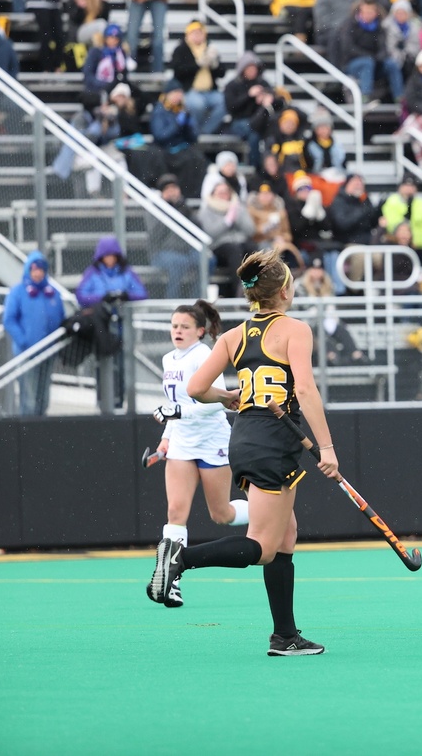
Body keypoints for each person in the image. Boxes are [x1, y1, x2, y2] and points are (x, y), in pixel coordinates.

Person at [150, 249, 339, 657]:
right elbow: (305, 390)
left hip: (246, 436)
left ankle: (285, 636)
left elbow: (197, 388)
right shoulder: (295, 329)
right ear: (286, 291)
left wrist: (230, 397)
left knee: (286, 533)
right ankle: (182, 559)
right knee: (263, 545)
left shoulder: (233, 335)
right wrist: (326, 447)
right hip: (275, 439)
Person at [145, 301, 249, 608]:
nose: (177, 331)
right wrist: (166, 439)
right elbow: (172, 406)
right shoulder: (168, 359)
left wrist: (177, 411)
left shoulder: (204, 355)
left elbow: (220, 402)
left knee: (222, 515)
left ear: (200, 331)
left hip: (211, 440)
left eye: (185, 327)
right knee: (176, 512)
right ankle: (172, 583)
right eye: (174, 326)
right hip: (181, 444)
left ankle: (269, 514)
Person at [76, 236, 147, 408]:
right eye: (106, 255)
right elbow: (81, 295)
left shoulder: (126, 272)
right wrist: (102, 299)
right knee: (103, 364)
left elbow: (142, 293)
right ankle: (104, 402)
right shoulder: (93, 273)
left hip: (122, 327)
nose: (109, 259)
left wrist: (126, 295)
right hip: (102, 328)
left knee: (121, 366)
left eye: (112, 255)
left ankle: (119, 401)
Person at [2, 251, 66, 417]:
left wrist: (56, 341)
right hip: (28, 354)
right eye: (34, 269)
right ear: (28, 270)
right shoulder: (18, 292)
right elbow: (9, 319)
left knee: (43, 399)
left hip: (47, 352)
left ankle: (41, 435)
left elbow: (61, 317)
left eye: (41, 269)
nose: (38, 273)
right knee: (29, 399)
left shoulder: (52, 293)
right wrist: (23, 341)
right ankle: (27, 436)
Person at [169, 21, 226, 135]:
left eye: (199, 33)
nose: (197, 36)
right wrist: (198, 65)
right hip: (189, 91)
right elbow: (178, 72)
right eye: (193, 33)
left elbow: (222, 73)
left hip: (210, 91)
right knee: (198, 105)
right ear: (187, 35)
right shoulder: (181, 49)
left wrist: (214, 64)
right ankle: (194, 132)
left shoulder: (210, 49)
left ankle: (204, 131)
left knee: (225, 102)